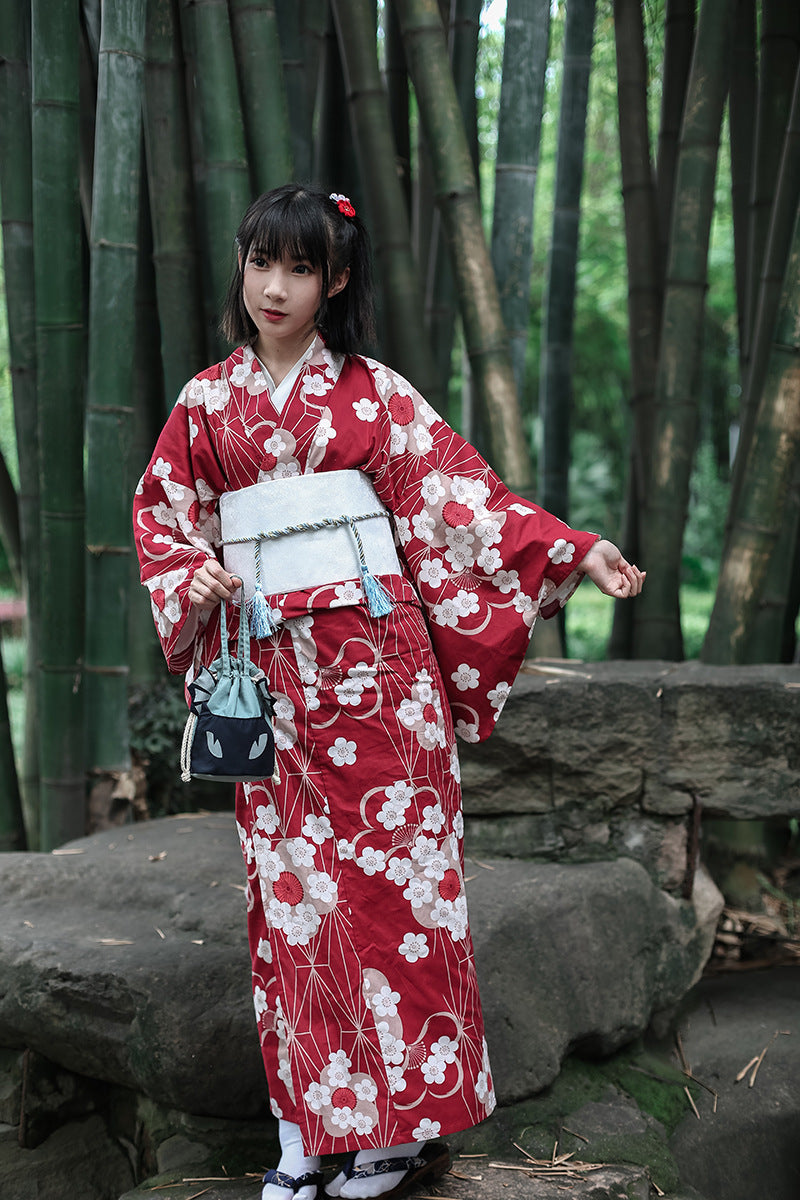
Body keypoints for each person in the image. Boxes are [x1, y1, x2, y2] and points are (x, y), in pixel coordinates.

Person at [134, 183, 644, 1200]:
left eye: (299, 268)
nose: (273, 287)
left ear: (335, 281)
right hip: (270, 670)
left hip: (380, 674)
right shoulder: (204, 405)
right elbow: (163, 520)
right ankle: (304, 1131)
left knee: (397, 893)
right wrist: (187, 572)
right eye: (260, 262)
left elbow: (466, 505)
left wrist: (572, 549)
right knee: (292, 905)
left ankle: (398, 1132)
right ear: (242, 266)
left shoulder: (375, 395)